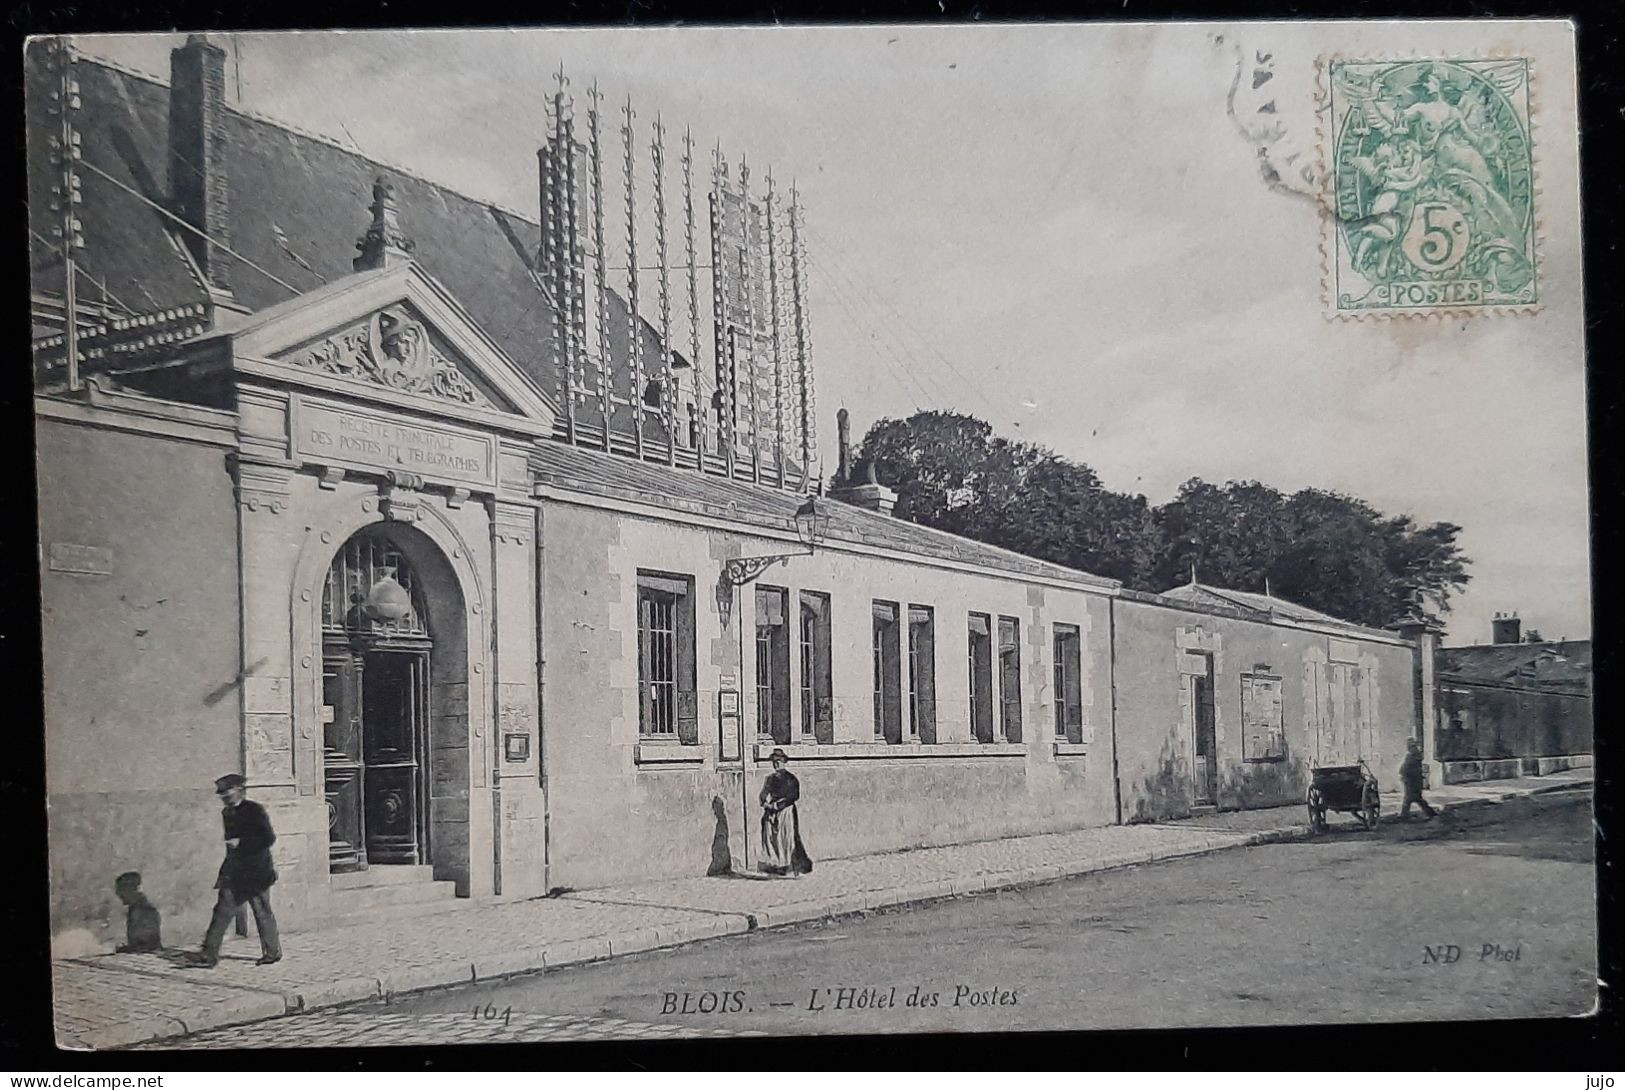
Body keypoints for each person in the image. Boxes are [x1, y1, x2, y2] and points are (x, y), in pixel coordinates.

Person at [191, 774, 282, 967]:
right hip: (235, 872)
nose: (224, 796)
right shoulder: (227, 813)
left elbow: (268, 838)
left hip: (257, 872)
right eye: (221, 794)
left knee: (262, 911)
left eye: (227, 792)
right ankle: (209, 955)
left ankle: (272, 952)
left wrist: (242, 842)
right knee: (222, 911)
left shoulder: (254, 810)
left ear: (240, 789)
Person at [758, 749, 812, 877]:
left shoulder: (791, 779)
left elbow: (794, 796)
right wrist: (766, 804)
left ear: (784, 762)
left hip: (786, 811)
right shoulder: (770, 779)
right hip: (772, 812)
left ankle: (790, 865)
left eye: (779, 761)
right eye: (774, 761)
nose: (776, 764)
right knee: (771, 837)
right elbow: (763, 795)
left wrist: (779, 805)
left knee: (787, 838)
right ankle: (776, 864)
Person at [113, 872, 162, 953]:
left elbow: (147, 946)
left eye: (121, 890)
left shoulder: (145, 911)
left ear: (131, 889)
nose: (118, 893)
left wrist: (126, 950)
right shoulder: (135, 910)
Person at [1399, 738, 1437, 820]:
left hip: (1412, 780)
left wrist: (1403, 773)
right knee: (1414, 798)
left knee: (1411, 798)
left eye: (1409, 745)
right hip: (1413, 780)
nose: (1408, 747)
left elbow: (1406, 768)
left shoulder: (1412, 756)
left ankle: (1404, 815)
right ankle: (1430, 812)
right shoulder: (1415, 755)